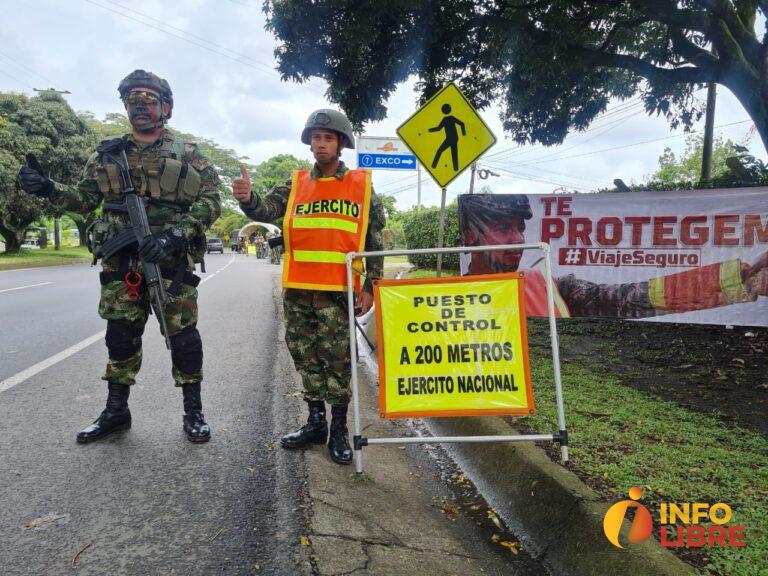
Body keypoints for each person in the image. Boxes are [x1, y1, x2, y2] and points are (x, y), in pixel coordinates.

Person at [18, 70, 221, 443]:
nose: (139, 105)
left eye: (148, 98)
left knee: (183, 338)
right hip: (121, 262)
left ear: (166, 107)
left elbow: (212, 200)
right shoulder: (108, 152)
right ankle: (116, 411)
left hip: (170, 263)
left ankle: (194, 411)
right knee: (120, 336)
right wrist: (47, 187)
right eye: (131, 99)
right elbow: (82, 197)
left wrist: (177, 233)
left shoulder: (188, 153)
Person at [233, 109, 385, 464]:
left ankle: (338, 430)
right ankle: (315, 422)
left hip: (338, 291)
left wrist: (370, 286)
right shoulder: (296, 183)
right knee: (306, 355)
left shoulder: (360, 185)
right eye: (315, 137)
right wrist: (246, 198)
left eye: (328, 138)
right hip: (299, 288)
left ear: (341, 144)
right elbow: (265, 207)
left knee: (337, 360)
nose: (320, 143)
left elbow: (375, 239)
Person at [459, 194, 768, 317]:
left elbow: (629, 297)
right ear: (470, 235)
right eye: (502, 228)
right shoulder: (442, 301)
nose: (517, 240)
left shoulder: (549, 286)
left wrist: (744, 283)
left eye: (519, 228)